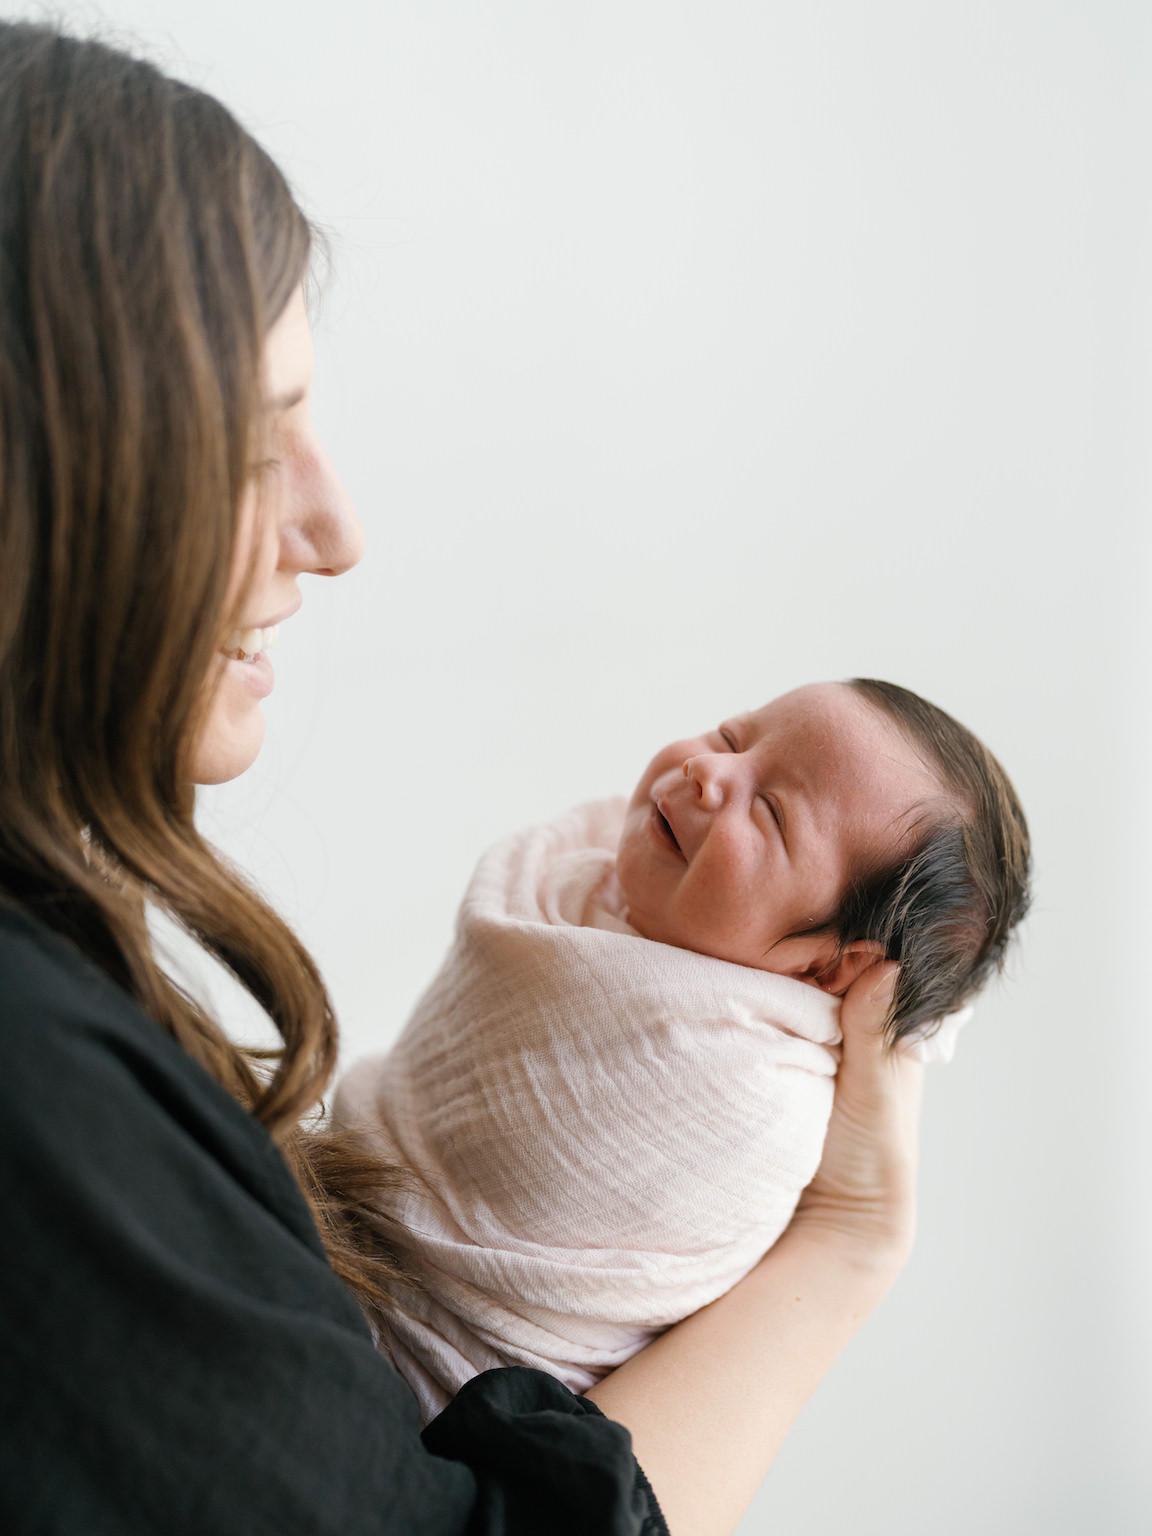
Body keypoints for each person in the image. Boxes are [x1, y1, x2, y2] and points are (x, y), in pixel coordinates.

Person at [0, 22, 952, 1536]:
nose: (338, 527)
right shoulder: (39, 1096)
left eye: (772, 809)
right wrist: (845, 1243)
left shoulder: (740, 1090)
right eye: (253, 447)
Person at [335, 680, 1031, 1419]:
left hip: (423, 1391)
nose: (710, 771)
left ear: (830, 967)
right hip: (328, 1211)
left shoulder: (748, 1088)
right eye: (732, 737)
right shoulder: (578, 878)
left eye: (769, 812)